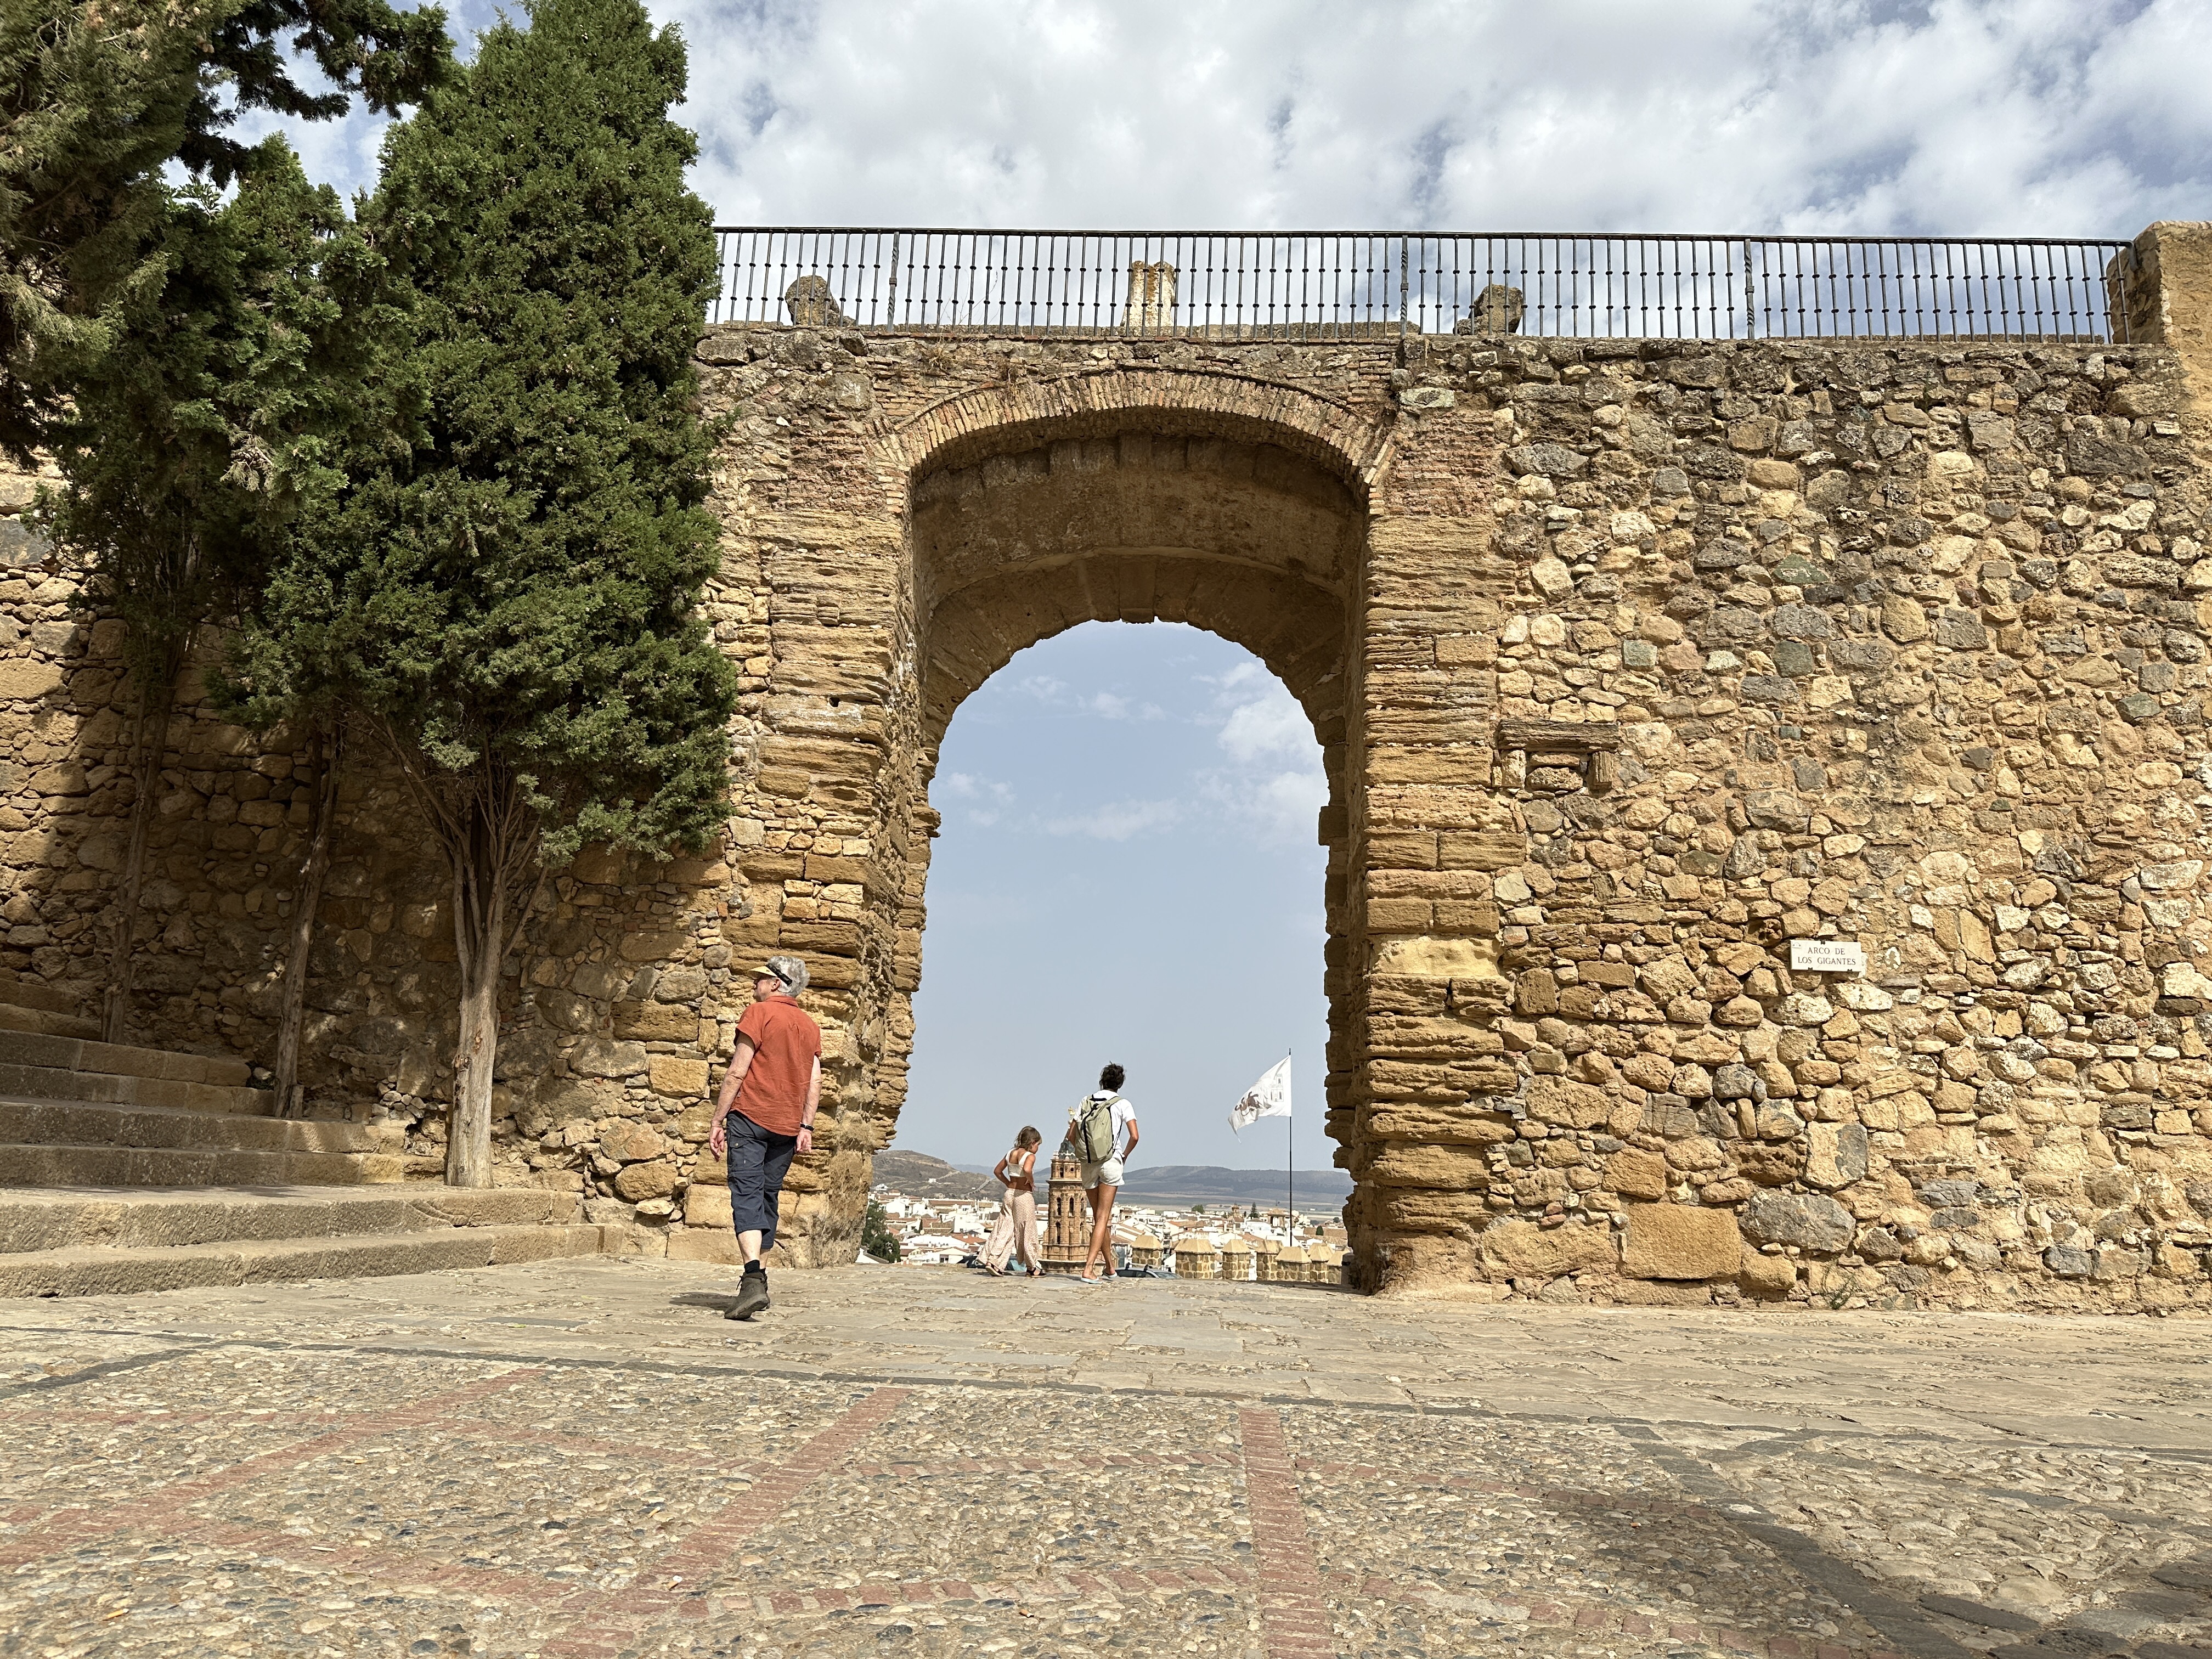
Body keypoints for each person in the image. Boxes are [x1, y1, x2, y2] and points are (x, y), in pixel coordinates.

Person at [708, 956, 822, 1321]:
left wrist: (717, 1119)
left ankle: (752, 1278)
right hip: (788, 1126)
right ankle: (761, 1280)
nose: (753, 984)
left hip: (751, 1116)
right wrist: (806, 1126)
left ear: (777, 983)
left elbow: (737, 1071)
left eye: (759, 978)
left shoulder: (758, 1014)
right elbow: (815, 1081)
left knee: (746, 1191)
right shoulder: (810, 1026)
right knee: (768, 1197)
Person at [1069, 1063, 1139, 1284]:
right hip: (1111, 1161)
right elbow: (1135, 1136)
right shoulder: (1123, 1104)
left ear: (1102, 1080)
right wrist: (1124, 1155)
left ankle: (1110, 1268)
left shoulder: (1086, 1101)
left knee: (1099, 1217)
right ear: (1120, 1084)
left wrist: (1085, 1153)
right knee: (1103, 1218)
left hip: (1089, 1163)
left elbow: (1071, 1135)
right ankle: (1088, 1269)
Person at [980, 1126, 1044, 1276]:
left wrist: (1008, 1183)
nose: (1037, 1149)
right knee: (1027, 1230)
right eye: (1038, 1145)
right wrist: (1032, 1182)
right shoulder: (1029, 1156)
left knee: (1005, 1229)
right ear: (1032, 1142)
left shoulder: (1010, 1154)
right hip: (1023, 1196)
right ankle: (1032, 1267)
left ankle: (993, 1261)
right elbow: (1027, 1170)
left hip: (1010, 1194)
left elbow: (997, 1171)